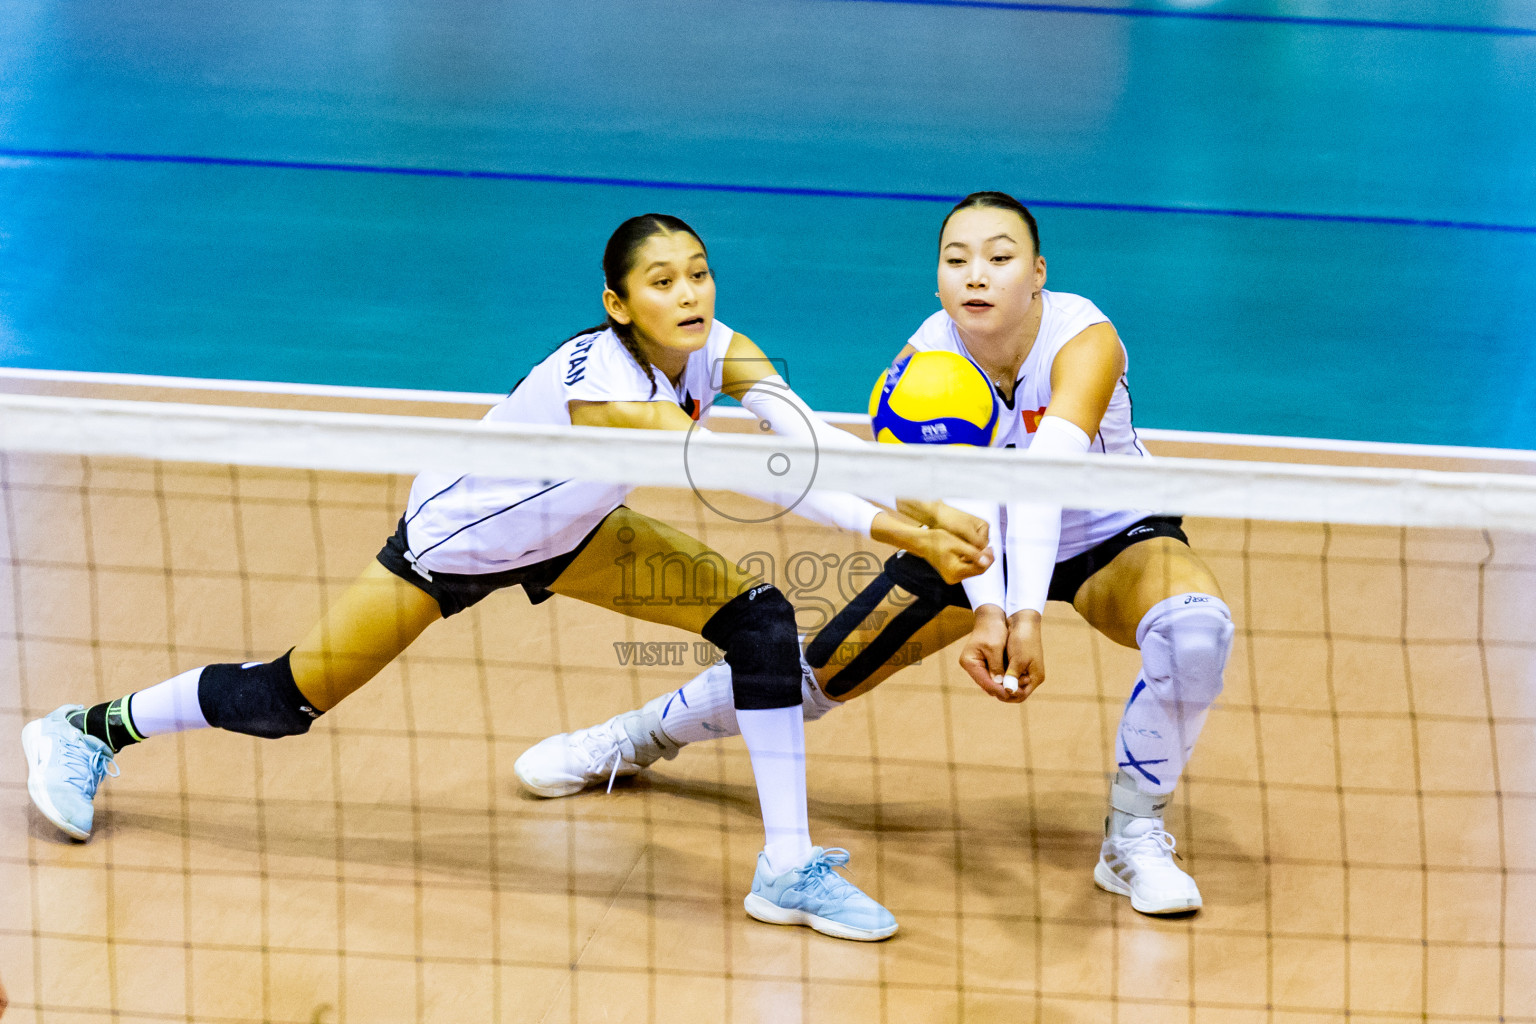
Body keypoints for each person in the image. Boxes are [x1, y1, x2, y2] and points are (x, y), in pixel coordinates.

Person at [20, 213, 996, 942]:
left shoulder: (717, 347)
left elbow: (804, 435)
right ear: (619, 304)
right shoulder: (608, 388)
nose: (690, 292)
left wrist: (919, 506)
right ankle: (87, 728)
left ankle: (787, 866)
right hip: (457, 543)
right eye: (663, 281)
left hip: (573, 528)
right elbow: (749, 473)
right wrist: (889, 527)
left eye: (697, 272)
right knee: (283, 698)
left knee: (759, 621)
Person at [515, 194, 1234, 916]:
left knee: (1196, 630)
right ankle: (635, 738)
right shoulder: (930, 358)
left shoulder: (1085, 338)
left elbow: (1043, 478)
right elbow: (960, 494)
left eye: (999, 258)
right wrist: (989, 605)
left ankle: (1133, 837)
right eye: (957, 261)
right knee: (813, 674)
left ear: (1038, 271)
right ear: (937, 280)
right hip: (975, 540)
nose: (976, 276)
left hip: (1110, 534)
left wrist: (1025, 618)